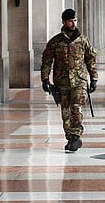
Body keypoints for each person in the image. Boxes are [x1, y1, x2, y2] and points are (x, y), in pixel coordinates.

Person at [41, 8, 98, 152]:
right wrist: (45, 79)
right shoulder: (55, 42)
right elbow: (47, 61)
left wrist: (94, 78)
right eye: (70, 21)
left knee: (76, 107)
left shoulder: (83, 40)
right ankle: (70, 137)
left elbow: (90, 60)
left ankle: (76, 135)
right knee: (65, 111)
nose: (73, 23)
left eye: (75, 20)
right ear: (64, 22)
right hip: (62, 82)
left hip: (79, 81)